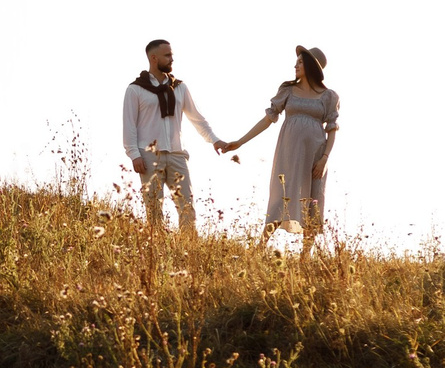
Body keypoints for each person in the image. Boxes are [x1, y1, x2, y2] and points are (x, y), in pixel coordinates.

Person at [218, 45, 339, 259]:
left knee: (313, 200)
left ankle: (305, 257)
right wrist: (240, 142)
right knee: (280, 196)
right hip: (289, 153)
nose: (295, 65)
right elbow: (267, 120)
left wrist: (325, 159)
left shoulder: (329, 96)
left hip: (316, 155)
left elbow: (332, 130)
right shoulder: (288, 90)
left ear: (311, 66)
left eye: (300, 62)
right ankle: (259, 248)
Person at [122, 38, 220, 236]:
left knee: (187, 205)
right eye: (167, 55)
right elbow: (129, 125)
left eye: (171, 55)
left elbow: (197, 118)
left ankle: (189, 246)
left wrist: (215, 140)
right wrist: (134, 154)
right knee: (153, 208)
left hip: (177, 154)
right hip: (149, 156)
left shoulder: (179, 87)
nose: (171, 59)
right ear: (153, 58)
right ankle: (156, 247)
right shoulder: (135, 89)